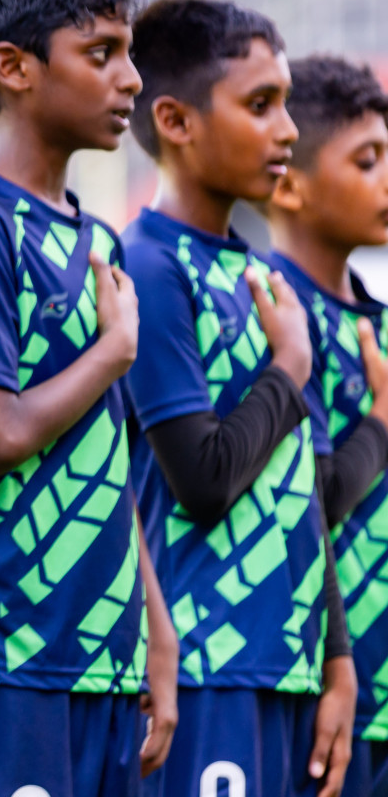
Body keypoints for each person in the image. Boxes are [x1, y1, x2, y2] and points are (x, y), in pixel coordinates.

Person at [0, 0, 180, 796]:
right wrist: (112, 353)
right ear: (14, 67)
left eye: (129, 54)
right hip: (14, 660)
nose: (131, 80)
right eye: (101, 53)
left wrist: (155, 630)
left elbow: (111, 462)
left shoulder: (95, 235)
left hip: (107, 663)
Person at [123, 0, 356, 797]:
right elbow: (204, 479)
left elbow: (306, 492)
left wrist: (337, 662)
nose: (287, 131)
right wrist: (289, 366)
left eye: (287, 104)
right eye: (261, 105)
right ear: (177, 122)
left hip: (285, 667)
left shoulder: (259, 276)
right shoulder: (148, 266)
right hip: (205, 665)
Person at [264, 55, 388, 797]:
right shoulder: (273, 317)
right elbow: (316, 498)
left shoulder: (376, 320)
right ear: (289, 182)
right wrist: (378, 420)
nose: (386, 178)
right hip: (328, 693)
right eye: (367, 160)